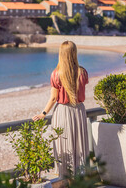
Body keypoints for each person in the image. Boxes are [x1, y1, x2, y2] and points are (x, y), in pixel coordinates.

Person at [32, 41, 89, 177]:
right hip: (79, 110)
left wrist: (43, 113)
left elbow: (53, 98)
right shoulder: (83, 72)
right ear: (74, 53)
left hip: (63, 112)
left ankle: (65, 176)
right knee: (79, 144)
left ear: (61, 54)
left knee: (64, 144)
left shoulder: (56, 74)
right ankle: (80, 175)